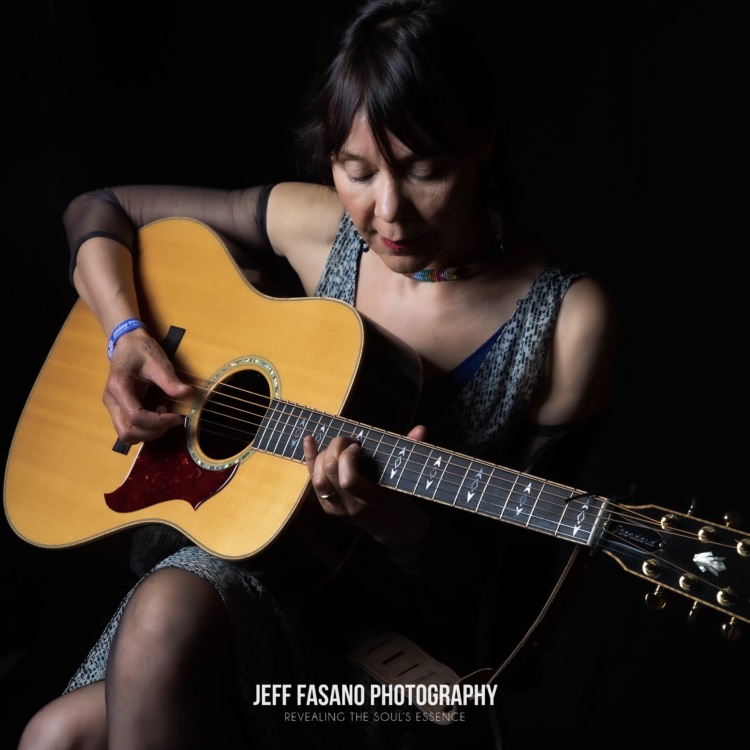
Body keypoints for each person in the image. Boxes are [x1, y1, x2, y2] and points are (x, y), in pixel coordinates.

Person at [17, 0, 618, 748]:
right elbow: (100, 209)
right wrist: (126, 334)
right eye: (356, 172)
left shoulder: (568, 321)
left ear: (483, 140)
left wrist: (396, 525)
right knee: (52, 735)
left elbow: (512, 608)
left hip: (375, 662)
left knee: (145, 640)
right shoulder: (319, 229)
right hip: (245, 571)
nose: (388, 210)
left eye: (426, 170)